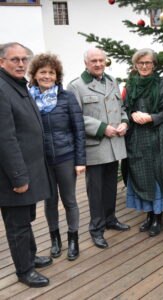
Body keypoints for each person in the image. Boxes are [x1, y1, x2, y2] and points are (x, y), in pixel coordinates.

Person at [0, 42, 52, 287]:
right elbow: (5, 139)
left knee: (25, 219)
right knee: (18, 224)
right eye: (15, 59)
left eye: (24, 59)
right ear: (1, 62)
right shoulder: (1, 89)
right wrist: (19, 177)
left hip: (27, 169)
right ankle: (24, 270)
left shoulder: (15, 84)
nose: (21, 64)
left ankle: (29, 256)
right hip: (13, 176)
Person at [68, 48, 130, 249]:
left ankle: (110, 219)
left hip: (114, 145)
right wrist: (103, 128)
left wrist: (124, 122)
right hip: (95, 146)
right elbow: (75, 117)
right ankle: (96, 228)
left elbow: (121, 107)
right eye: (94, 61)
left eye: (101, 60)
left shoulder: (111, 81)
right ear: (86, 63)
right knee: (95, 191)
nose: (98, 64)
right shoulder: (76, 86)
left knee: (110, 187)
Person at [28, 54, 86, 260]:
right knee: (49, 202)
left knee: (70, 200)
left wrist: (80, 161)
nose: (47, 76)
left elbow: (79, 130)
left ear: (57, 75)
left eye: (51, 72)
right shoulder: (28, 98)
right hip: (42, 161)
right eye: (42, 72)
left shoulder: (67, 97)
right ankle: (55, 240)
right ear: (34, 75)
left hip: (66, 157)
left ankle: (73, 239)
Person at [124, 48, 163, 236]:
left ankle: (157, 217)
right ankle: (149, 215)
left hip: (157, 136)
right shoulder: (131, 84)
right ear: (136, 65)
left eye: (148, 63)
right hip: (137, 138)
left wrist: (151, 118)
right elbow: (124, 108)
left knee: (157, 176)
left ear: (154, 65)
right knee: (142, 176)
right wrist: (132, 114)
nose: (144, 66)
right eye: (141, 63)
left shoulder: (162, 84)